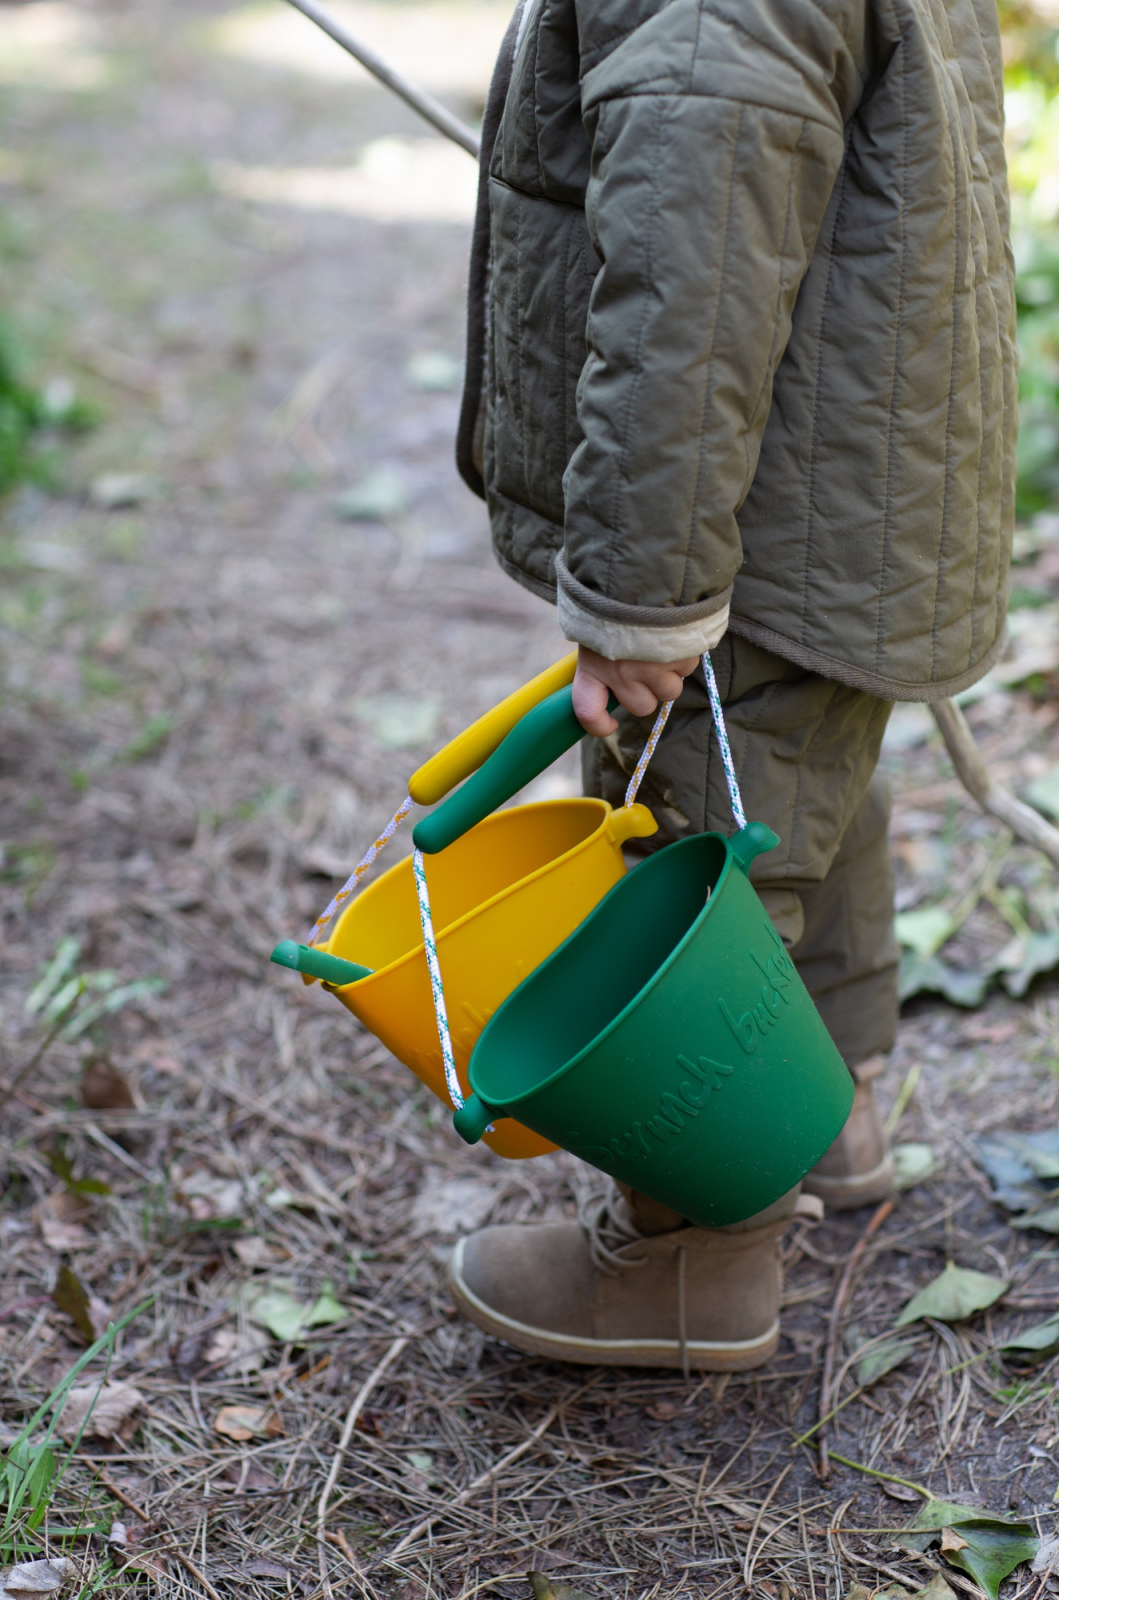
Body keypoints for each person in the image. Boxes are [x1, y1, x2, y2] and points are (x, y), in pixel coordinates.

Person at [447, 0, 1016, 1371]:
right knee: (810, 765)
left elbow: (697, 264)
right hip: (841, 468)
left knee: (696, 826)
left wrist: (648, 590)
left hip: (758, 499)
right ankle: (831, 1112)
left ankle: (690, 1257)